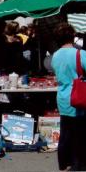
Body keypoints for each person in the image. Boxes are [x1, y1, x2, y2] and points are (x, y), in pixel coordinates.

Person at [51, 23, 86, 171]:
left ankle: (64, 162)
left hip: (63, 97)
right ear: (72, 36)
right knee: (81, 133)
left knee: (66, 131)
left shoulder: (55, 55)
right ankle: (79, 164)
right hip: (79, 96)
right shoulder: (80, 54)